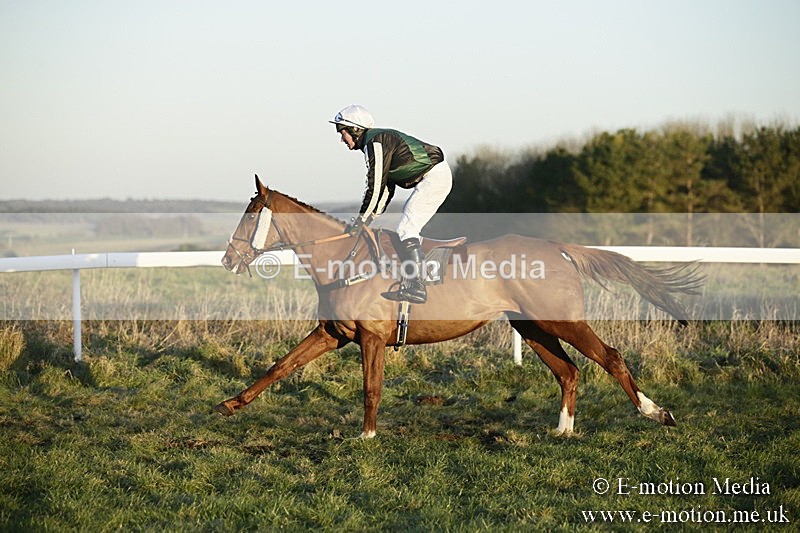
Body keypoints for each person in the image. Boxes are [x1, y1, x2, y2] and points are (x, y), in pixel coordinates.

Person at [330, 104, 452, 304]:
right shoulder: (374, 142)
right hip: (432, 176)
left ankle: (417, 287)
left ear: (355, 129)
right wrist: (369, 218)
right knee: (406, 224)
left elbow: (375, 185)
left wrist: (361, 220)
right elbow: (386, 188)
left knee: (406, 228)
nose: (341, 139)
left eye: (342, 132)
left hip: (434, 177)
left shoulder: (375, 142)